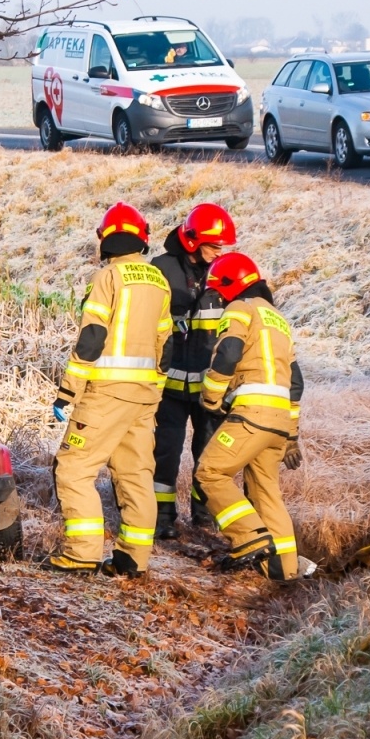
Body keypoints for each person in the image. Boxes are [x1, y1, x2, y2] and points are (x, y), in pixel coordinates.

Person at [48, 203, 174, 578]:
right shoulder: (159, 281)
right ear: (141, 238)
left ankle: (82, 554)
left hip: (106, 394)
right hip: (144, 397)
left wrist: (68, 392)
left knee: (73, 469)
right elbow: (166, 347)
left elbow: (92, 339)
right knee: (136, 476)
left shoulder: (108, 277)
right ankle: (132, 559)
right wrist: (153, 393)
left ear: (105, 239)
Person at [193, 252, 317, 583]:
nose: (219, 300)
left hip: (251, 414)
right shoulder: (278, 319)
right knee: (266, 491)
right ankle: (283, 569)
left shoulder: (240, 308)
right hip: (278, 422)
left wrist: (211, 397)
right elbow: (296, 382)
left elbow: (228, 354)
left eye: (219, 293)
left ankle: (248, 537)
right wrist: (291, 434)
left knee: (210, 473)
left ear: (229, 286)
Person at [150, 203, 237, 539]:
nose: (219, 252)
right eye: (214, 245)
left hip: (208, 388)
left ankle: (204, 517)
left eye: (222, 247)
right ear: (192, 241)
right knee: (165, 453)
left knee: (209, 454)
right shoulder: (161, 269)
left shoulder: (224, 271)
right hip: (169, 386)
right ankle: (162, 518)